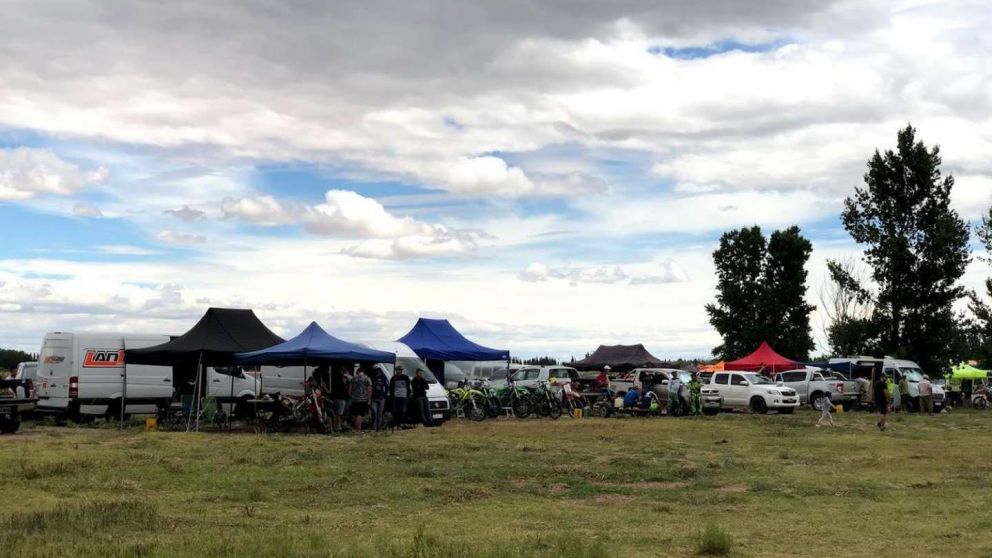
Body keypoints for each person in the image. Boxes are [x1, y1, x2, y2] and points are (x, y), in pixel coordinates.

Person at [348, 366, 372, 435]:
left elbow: (349, 389)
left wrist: (351, 396)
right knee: (360, 415)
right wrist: (369, 399)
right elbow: (369, 390)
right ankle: (358, 430)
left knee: (356, 415)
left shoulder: (353, 378)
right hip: (363, 399)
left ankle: (356, 429)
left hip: (354, 399)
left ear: (358, 371)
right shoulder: (367, 378)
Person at [388, 365, 411, 430]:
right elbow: (391, 388)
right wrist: (392, 396)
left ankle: (400, 424)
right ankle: (396, 424)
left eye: (400, 370)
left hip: (403, 397)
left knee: (403, 411)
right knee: (395, 411)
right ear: (396, 371)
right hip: (396, 397)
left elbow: (408, 387)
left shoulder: (405, 377)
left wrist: (408, 395)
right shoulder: (393, 378)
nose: (399, 371)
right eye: (398, 370)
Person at [329, 366, 349, 432]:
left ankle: (337, 425)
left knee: (337, 413)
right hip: (341, 398)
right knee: (339, 414)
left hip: (338, 398)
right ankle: (339, 426)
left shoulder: (337, 379)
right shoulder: (342, 379)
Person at [370, 367, 389, 431]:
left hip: (381, 398)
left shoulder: (384, 378)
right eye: (377, 371)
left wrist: (384, 394)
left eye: (379, 371)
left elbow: (387, 387)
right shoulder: (373, 378)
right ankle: (374, 427)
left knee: (380, 413)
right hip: (374, 398)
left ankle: (379, 427)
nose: (378, 373)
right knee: (374, 413)